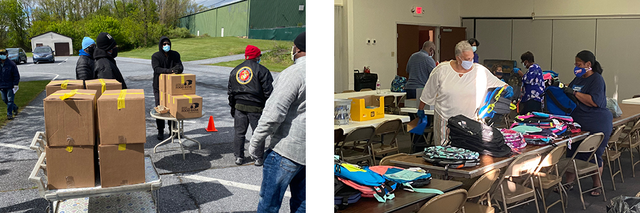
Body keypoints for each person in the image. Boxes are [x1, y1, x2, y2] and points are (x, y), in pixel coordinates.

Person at [248, 32, 305, 213]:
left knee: (269, 205)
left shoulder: (294, 74)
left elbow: (274, 113)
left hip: (286, 150)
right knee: (303, 203)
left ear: (297, 49)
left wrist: (256, 142)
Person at [417, 40, 506, 145]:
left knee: (469, 153)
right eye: (467, 59)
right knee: (444, 154)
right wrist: (421, 111)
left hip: (471, 121)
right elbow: (427, 93)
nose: (471, 62)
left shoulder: (480, 71)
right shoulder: (441, 70)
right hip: (445, 120)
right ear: (458, 58)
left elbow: (501, 85)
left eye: (472, 58)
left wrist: (507, 90)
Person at [562, 50, 612, 197]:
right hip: (578, 123)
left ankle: (597, 185)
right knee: (571, 152)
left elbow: (594, 101)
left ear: (588, 64)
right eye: (575, 64)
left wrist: (574, 93)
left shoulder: (597, 80)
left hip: (596, 123)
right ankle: (568, 184)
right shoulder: (578, 79)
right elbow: (569, 90)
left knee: (594, 154)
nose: (576, 67)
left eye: (578, 64)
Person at [228, 45, 273, 166]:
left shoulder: (235, 70)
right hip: (256, 107)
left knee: (239, 133)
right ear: (257, 56)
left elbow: (231, 92)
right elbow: (268, 92)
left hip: (239, 106)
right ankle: (258, 157)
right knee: (257, 132)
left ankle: (238, 157)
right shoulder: (262, 71)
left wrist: (233, 106)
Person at [152, 36, 184, 140]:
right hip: (159, 86)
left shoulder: (175, 55)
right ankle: (160, 130)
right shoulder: (156, 56)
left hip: (172, 87)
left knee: (172, 108)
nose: (166, 46)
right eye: (164, 44)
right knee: (160, 108)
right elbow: (156, 69)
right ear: (161, 45)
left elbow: (180, 66)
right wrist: (169, 71)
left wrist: (178, 69)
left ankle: (172, 130)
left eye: (168, 44)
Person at [0, 49, 20, 120]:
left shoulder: (11, 64)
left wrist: (15, 84)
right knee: (4, 99)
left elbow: (16, 75)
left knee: (10, 100)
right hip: (1, 86)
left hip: (10, 85)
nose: (2, 56)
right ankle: (15, 107)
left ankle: (9, 114)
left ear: (7, 55)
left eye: (3, 54)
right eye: (0, 54)